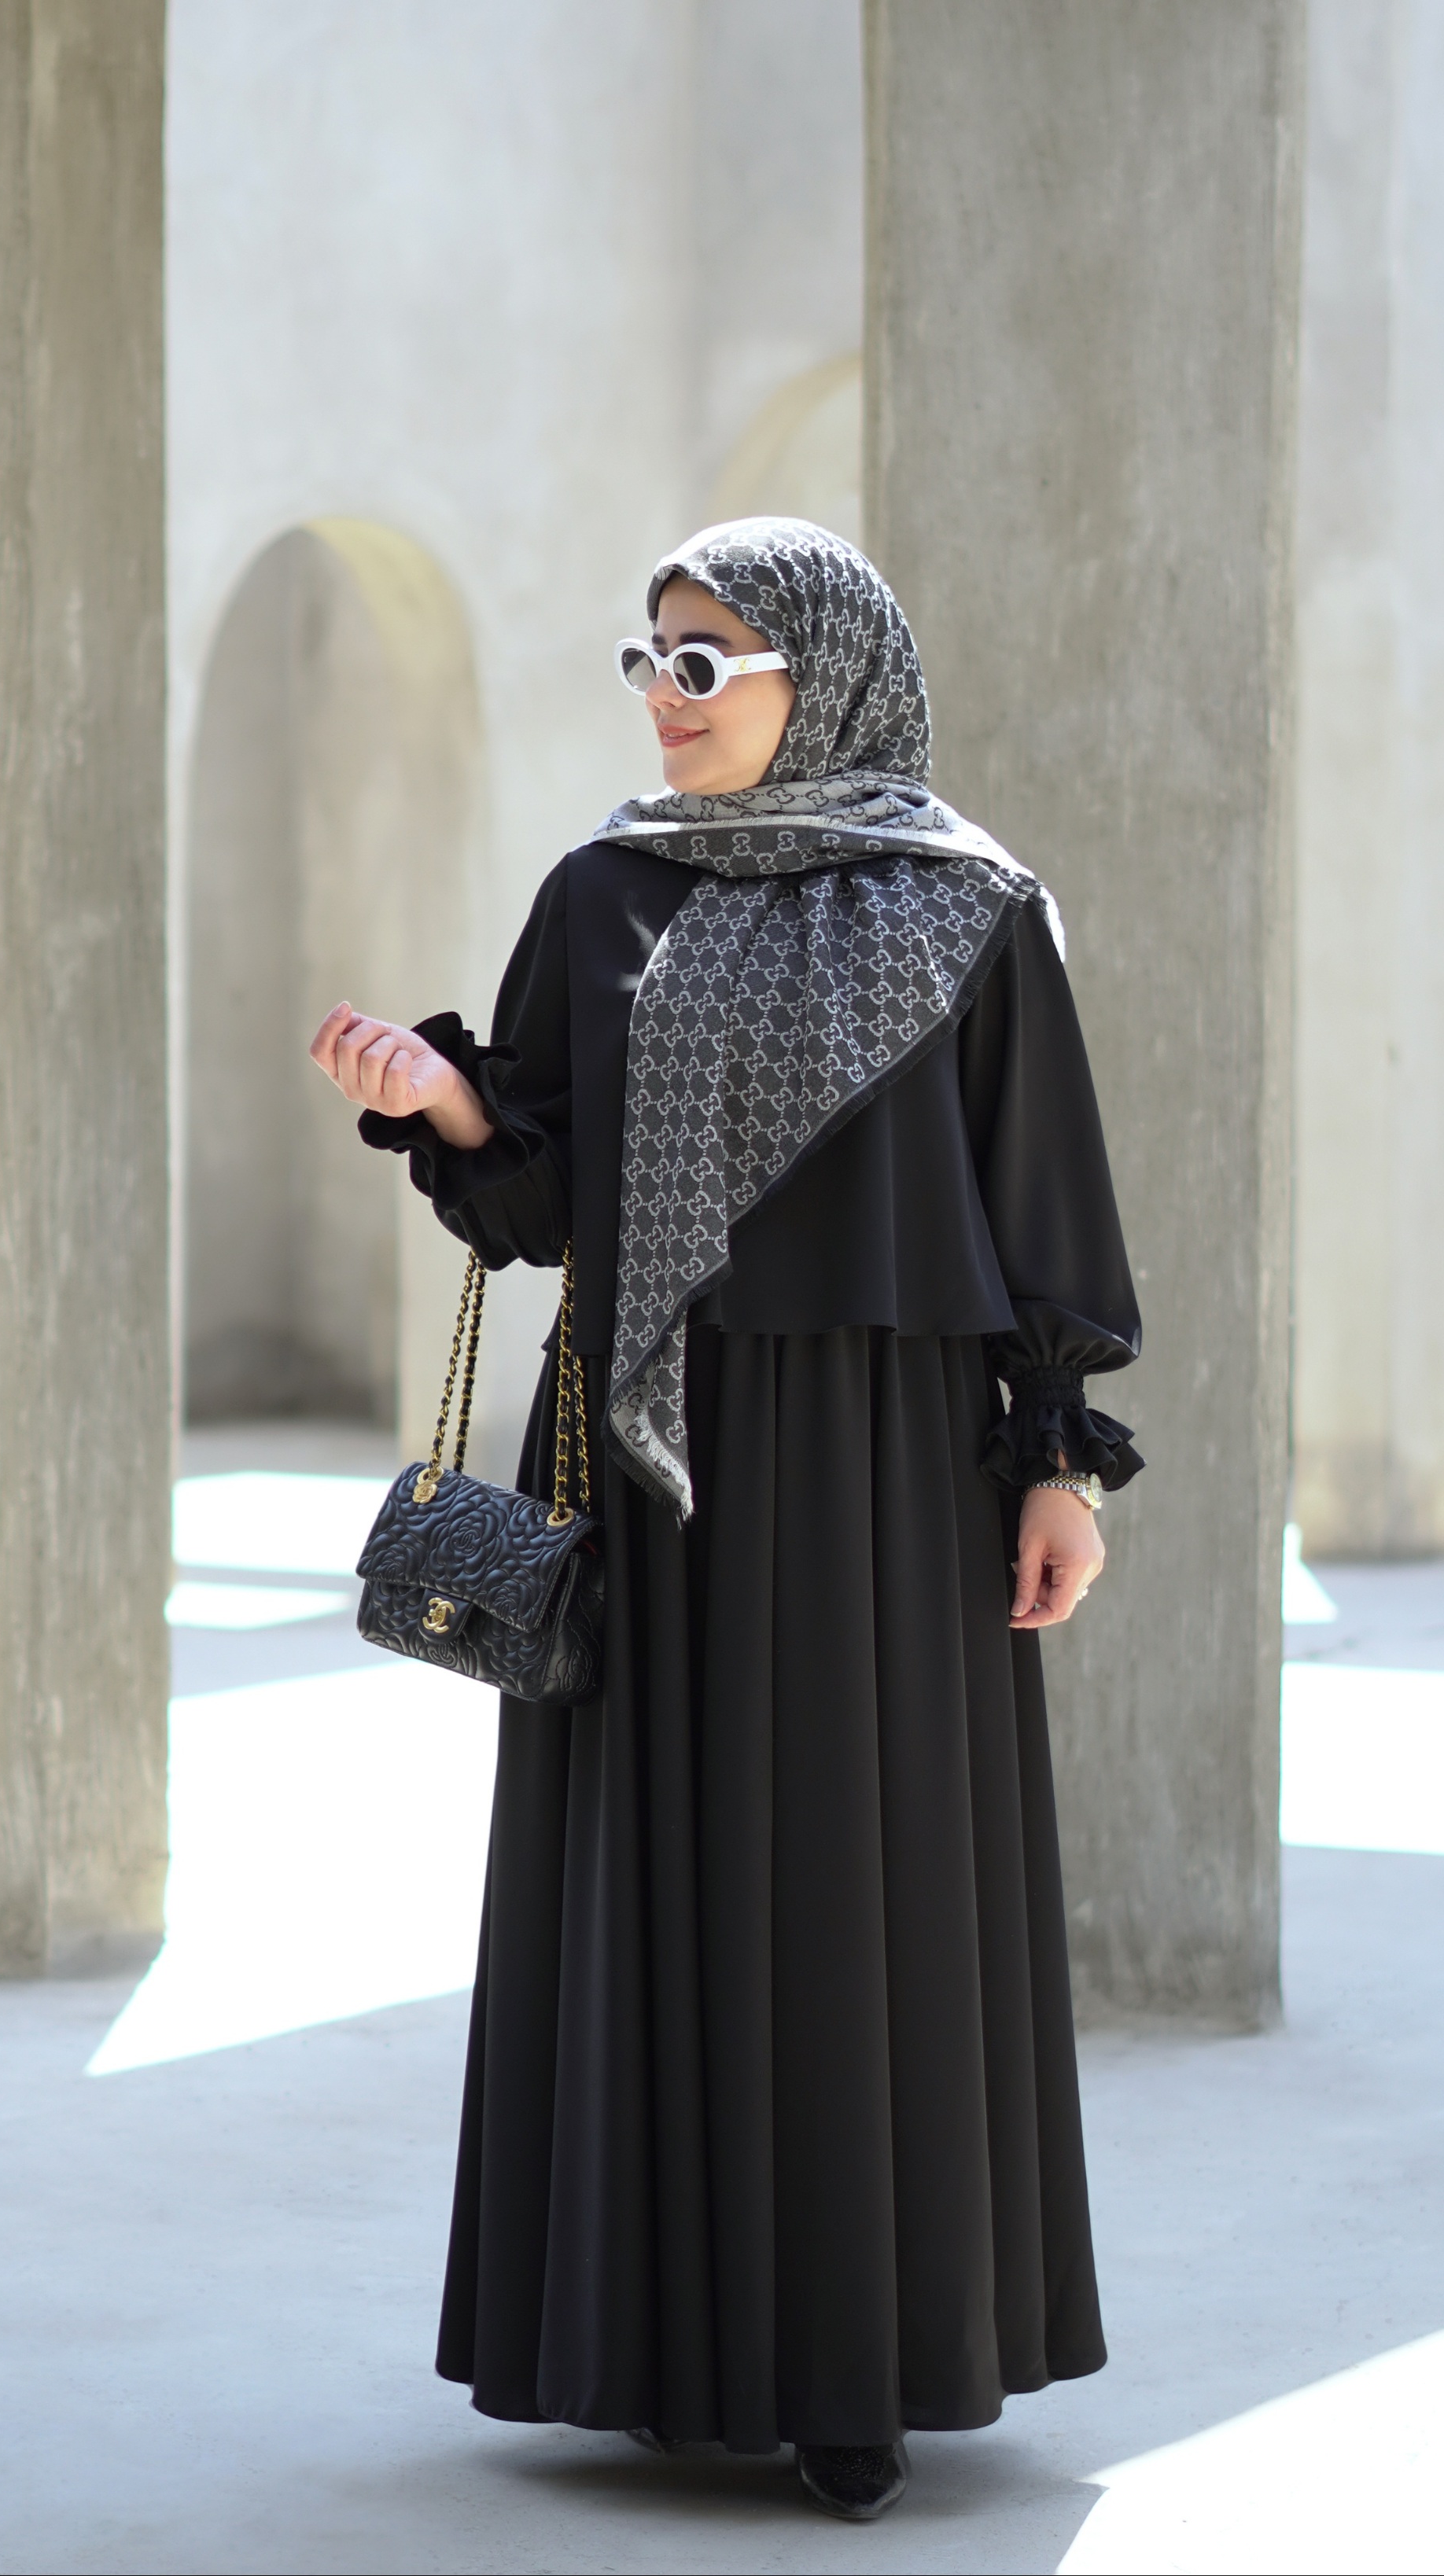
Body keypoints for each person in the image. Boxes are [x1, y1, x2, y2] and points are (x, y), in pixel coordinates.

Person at [311, 517, 1142, 2524]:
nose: (666, 699)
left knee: (864, 1884)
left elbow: (1038, 1203)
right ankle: (645, 2345)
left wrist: (1055, 1460)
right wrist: (450, 1108)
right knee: (652, 1876)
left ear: (822, 674)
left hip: (889, 1472)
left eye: (707, 662)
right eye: (650, 661)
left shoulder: (969, 906)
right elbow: (539, 1203)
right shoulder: (598, 893)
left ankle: (858, 2371)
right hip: (647, 1462)